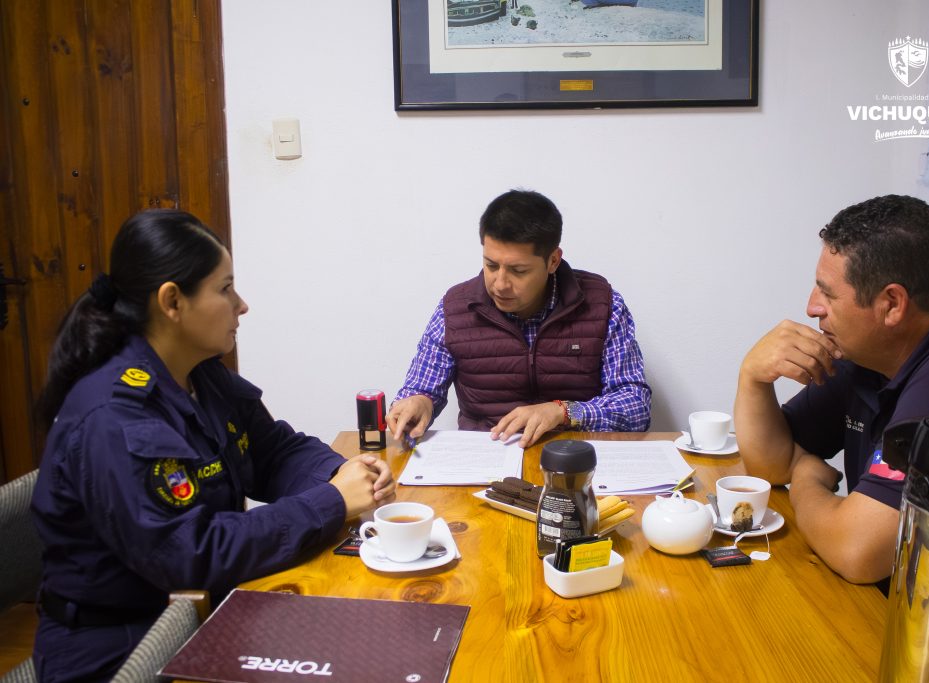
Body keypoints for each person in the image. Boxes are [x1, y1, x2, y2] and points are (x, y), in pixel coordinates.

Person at [30, 209, 395, 681]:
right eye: (225, 289)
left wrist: (342, 473)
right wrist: (331, 501)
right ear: (172, 301)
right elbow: (191, 554)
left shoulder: (199, 374)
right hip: (120, 648)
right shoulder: (115, 418)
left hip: (205, 608)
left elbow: (273, 451)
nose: (242, 305)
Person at [734, 194, 929, 586]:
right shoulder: (872, 355)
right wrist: (753, 377)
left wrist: (805, 481)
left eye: (827, 293)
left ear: (892, 304)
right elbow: (772, 463)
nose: (812, 307)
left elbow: (857, 551)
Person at [387, 189, 651, 449]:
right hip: (485, 457)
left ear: (553, 261)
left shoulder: (602, 305)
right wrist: (418, 402)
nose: (500, 283)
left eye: (518, 270)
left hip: (577, 459)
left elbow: (636, 407)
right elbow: (418, 390)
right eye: (491, 265)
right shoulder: (456, 308)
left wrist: (564, 412)